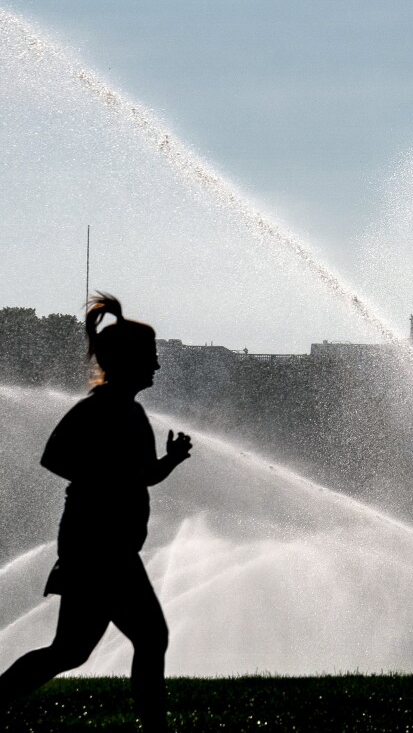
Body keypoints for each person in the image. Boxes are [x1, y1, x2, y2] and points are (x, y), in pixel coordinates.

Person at [0, 294, 192, 732]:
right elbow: (54, 458)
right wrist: (107, 478)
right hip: (99, 548)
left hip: (106, 548)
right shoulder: (99, 408)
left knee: (70, 651)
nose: (157, 366)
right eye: (152, 357)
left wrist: (172, 461)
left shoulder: (131, 411)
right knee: (149, 638)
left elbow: (140, 476)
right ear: (128, 361)